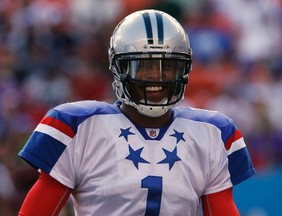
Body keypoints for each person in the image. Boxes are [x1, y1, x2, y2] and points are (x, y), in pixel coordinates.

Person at [18, 9, 255, 216]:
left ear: (183, 70)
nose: (156, 77)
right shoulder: (79, 126)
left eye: (167, 67)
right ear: (118, 68)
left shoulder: (212, 133)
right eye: (143, 66)